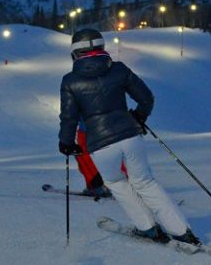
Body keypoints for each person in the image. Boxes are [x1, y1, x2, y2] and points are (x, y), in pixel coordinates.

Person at [58, 29, 200, 245]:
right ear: (102, 47)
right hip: (130, 136)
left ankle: (148, 228)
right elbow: (146, 98)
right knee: (145, 181)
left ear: (74, 53)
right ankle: (182, 231)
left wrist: (66, 143)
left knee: (116, 182)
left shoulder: (70, 81)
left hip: (100, 144)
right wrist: (138, 117)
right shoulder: (119, 70)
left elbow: (69, 118)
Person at [74, 121, 112, 198]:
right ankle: (95, 186)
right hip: (103, 124)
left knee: (83, 156)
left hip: (86, 125)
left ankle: (96, 186)